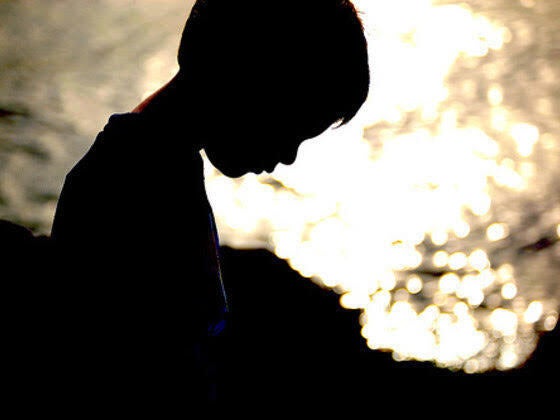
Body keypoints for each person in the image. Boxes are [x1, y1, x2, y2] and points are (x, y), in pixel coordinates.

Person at [3, 0, 370, 409]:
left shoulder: (160, 166)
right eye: (291, 127)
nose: (288, 156)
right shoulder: (136, 183)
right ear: (244, 82)